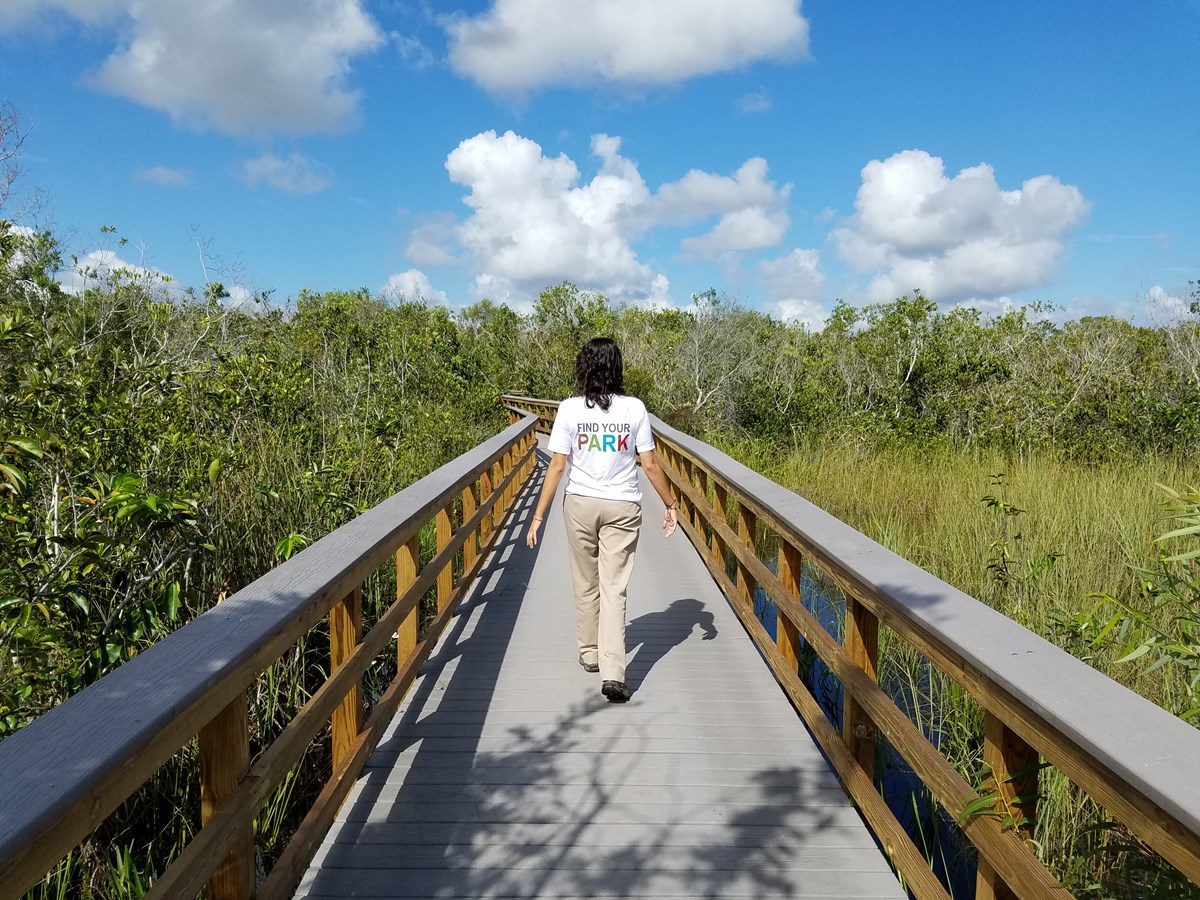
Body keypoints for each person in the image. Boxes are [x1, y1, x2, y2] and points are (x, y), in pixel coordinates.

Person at [525, 338, 679, 702]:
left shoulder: (569, 409)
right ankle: (614, 673)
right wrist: (671, 503)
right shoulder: (635, 409)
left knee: (585, 580)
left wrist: (538, 516)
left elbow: (557, 466)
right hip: (623, 505)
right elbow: (651, 464)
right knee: (614, 588)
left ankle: (589, 653)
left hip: (579, 503)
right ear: (617, 368)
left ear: (584, 367)